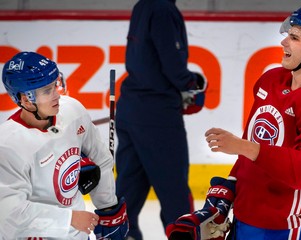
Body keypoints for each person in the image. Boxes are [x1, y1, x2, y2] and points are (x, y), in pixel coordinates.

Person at [205, 5, 301, 240]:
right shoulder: (271, 80)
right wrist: (229, 187)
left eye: (294, 37)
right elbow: (253, 144)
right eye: (288, 35)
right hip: (245, 217)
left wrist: (241, 146)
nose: (283, 42)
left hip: (287, 228)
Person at [0, 51, 128, 240]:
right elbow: (9, 214)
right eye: (46, 91)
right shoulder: (8, 144)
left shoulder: (72, 111)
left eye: (55, 86)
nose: (56, 96)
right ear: (26, 100)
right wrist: (68, 219)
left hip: (77, 234)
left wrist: (108, 207)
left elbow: (100, 157)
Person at [115, 0, 207, 239]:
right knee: (174, 188)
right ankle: (182, 235)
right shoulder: (163, 9)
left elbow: (147, 59)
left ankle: (121, 233)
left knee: (130, 182)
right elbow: (172, 62)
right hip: (157, 114)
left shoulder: (142, 5)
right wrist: (190, 84)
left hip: (131, 106)